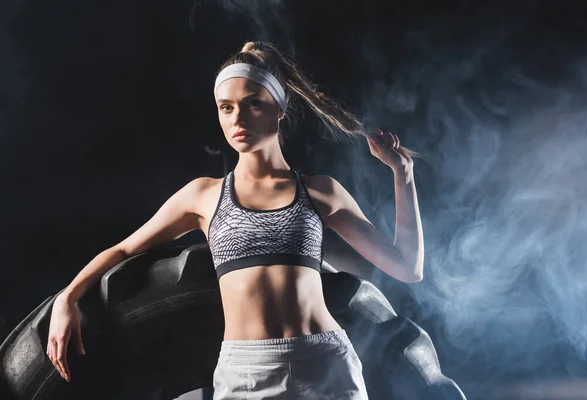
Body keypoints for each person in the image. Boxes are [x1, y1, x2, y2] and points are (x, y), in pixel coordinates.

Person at [46, 41, 424, 399]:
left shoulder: (322, 191)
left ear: (280, 106)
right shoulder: (204, 195)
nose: (237, 118)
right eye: (225, 107)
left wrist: (402, 174)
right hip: (245, 373)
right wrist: (68, 298)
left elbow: (407, 268)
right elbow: (125, 248)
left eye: (252, 103)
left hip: (324, 364)